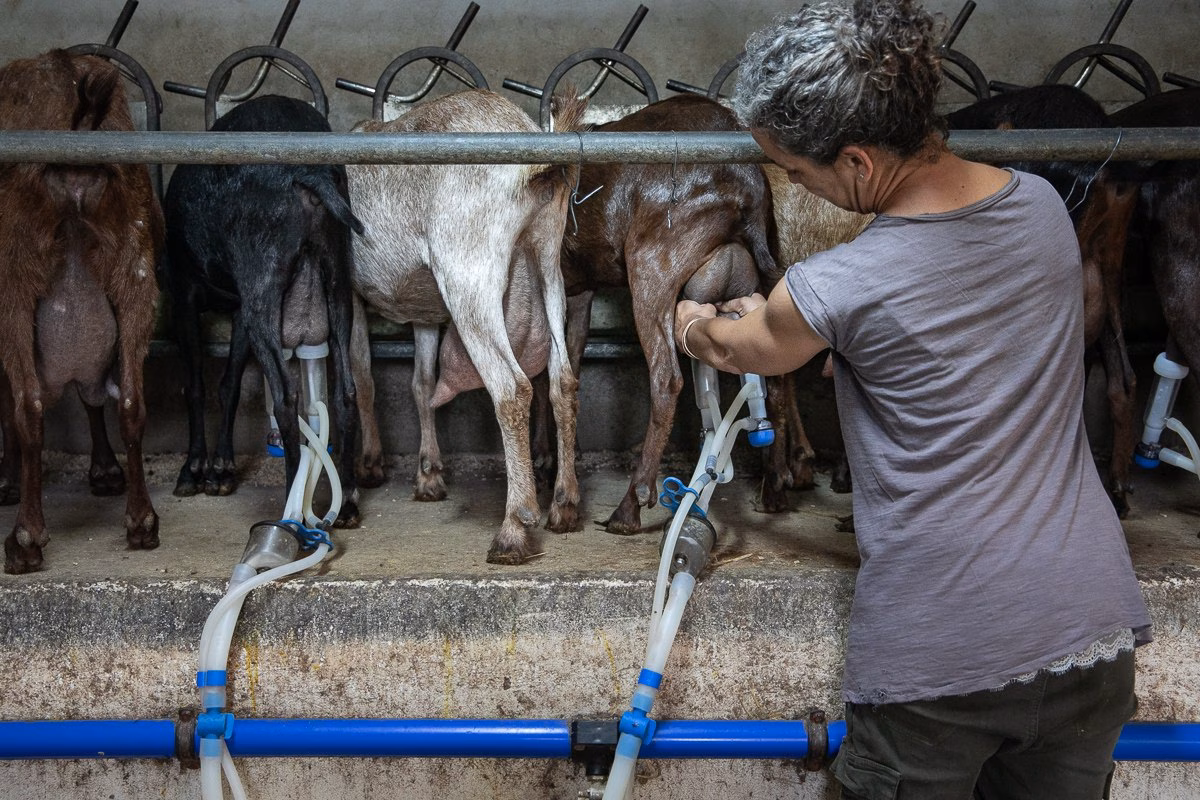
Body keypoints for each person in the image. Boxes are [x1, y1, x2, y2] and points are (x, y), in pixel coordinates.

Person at [673, 2, 1153, 798]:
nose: (799, 185)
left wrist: (691, 323)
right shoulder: (1038, 205)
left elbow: (744, 345)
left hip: (945, 656)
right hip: (1090, 633)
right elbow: (968, 328)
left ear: (858, 162)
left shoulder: (838, 284)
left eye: (797, 171)